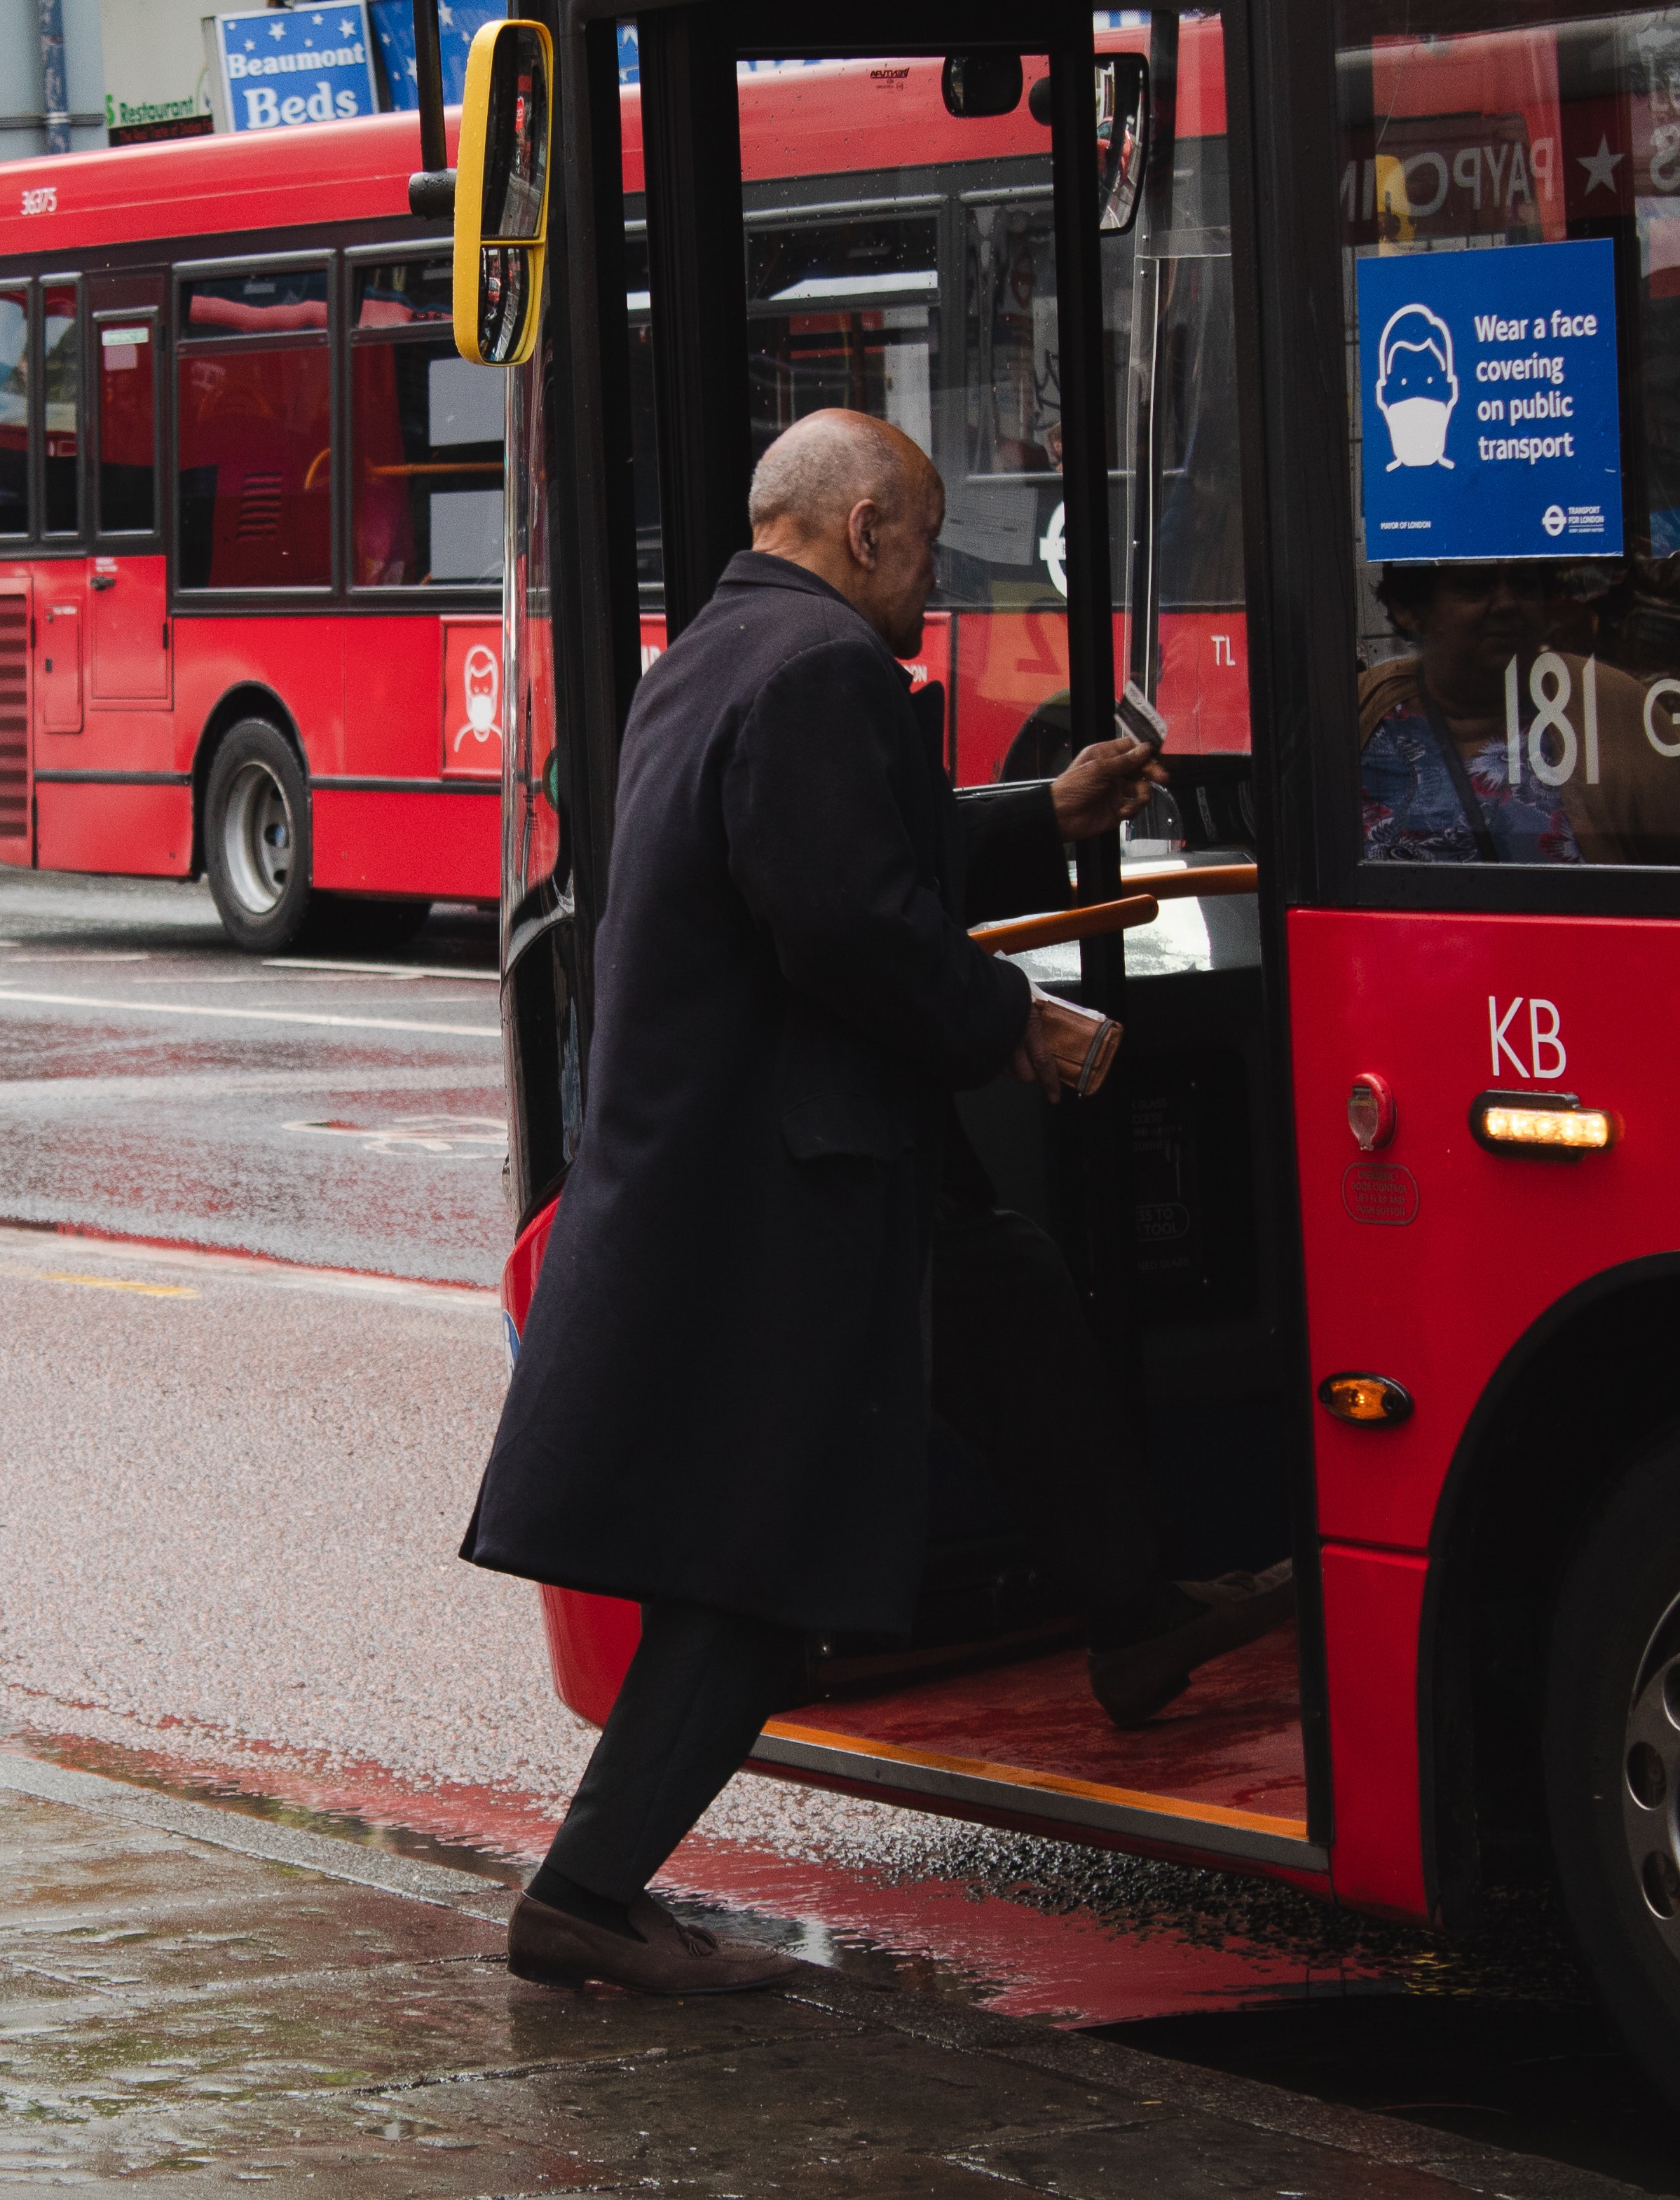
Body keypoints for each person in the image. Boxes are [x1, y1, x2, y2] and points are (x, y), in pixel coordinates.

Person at [461, 409, 1288, 1998]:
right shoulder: (824, 670)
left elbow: (844, 844)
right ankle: (581, 1889)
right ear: (860, 533)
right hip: (780, 1200)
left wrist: (1045, 814)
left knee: (1012, 1296)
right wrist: (1017, 1027)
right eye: (918, 547)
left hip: (755, 1177)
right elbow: (846, 921)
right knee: (768, 1576)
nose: (928, 582)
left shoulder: (711, 655)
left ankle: (1128, 1613)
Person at [1360, 562, 1680, 863]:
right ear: (1409, 609)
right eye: (1475, 586)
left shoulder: (1604, 704)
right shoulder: (1365, 712)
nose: (1507, 604)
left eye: (1523, 585)